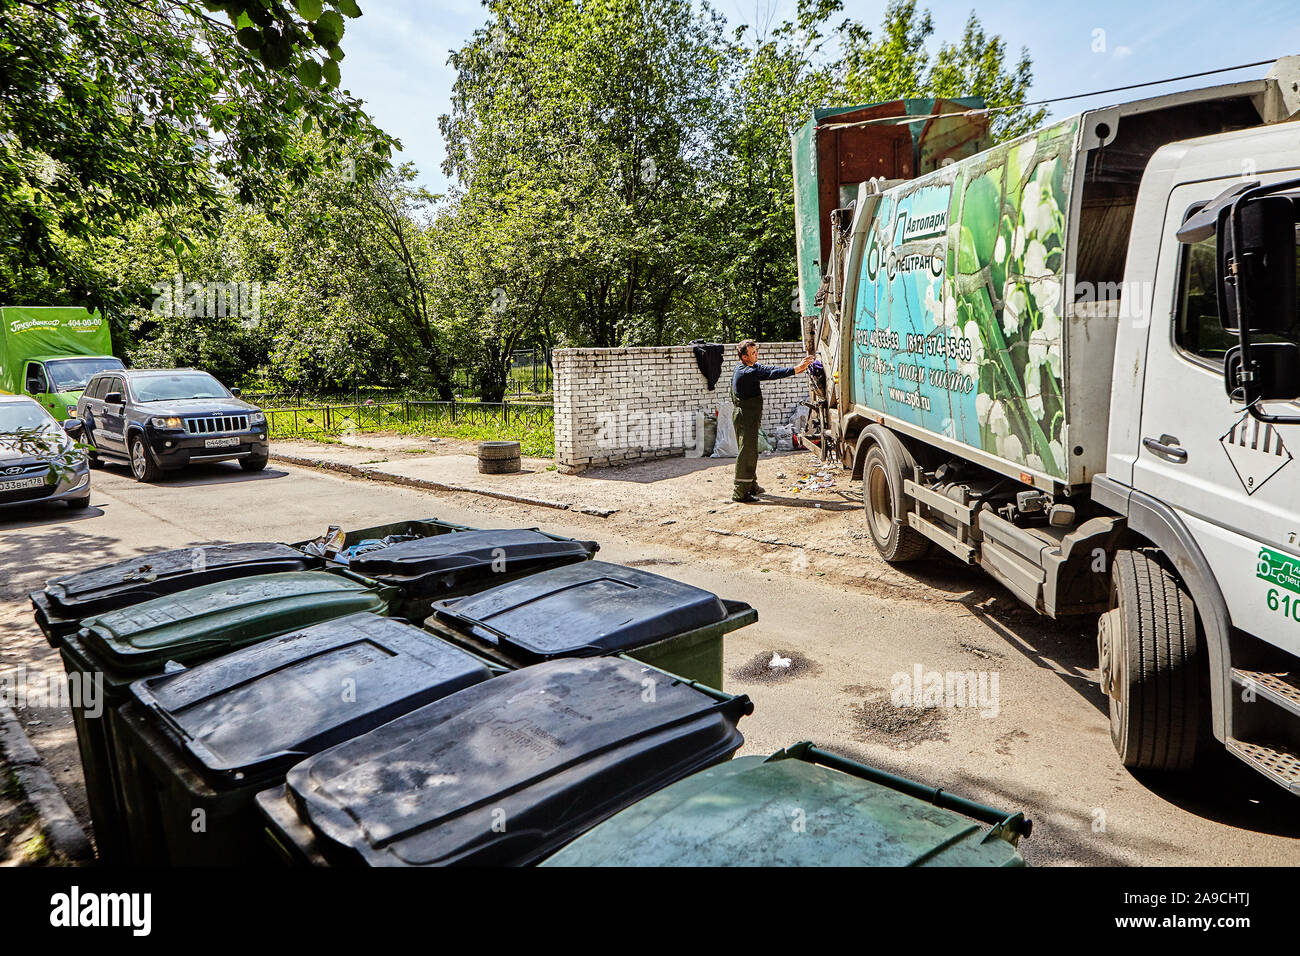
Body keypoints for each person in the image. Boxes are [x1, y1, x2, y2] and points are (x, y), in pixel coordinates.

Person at [730, 340, 813, 502]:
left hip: (749, 416)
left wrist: (793, 369)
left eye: (756, 351)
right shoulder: (746, 372)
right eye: (753, 353)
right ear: (744, 356)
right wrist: (795, 370)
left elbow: (768, 369)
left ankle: (751, 485)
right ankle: (740, 492)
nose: (756, 355)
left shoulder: (749, 367)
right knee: (746, 452)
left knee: (751, 450)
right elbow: (771, 375)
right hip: (744, 417)